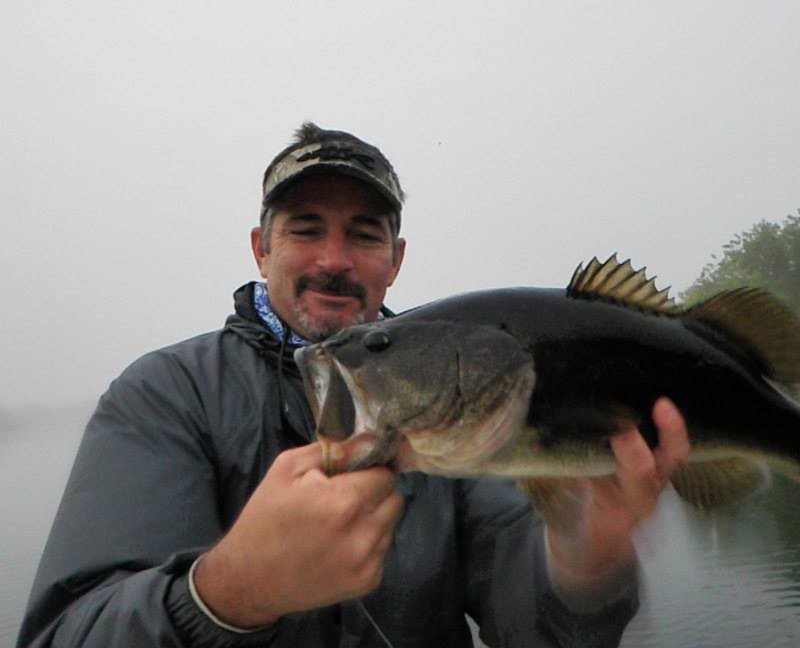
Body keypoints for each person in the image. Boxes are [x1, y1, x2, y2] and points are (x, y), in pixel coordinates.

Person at [18, 123, 690, 648]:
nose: (334, 260)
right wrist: (226, 593)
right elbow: (67, 632)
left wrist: (586, 561)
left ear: (396, 260)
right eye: (305, 229)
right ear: (261, 247)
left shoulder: (467, 397)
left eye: (364, 235)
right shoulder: (162, 395)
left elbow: (540, 631)